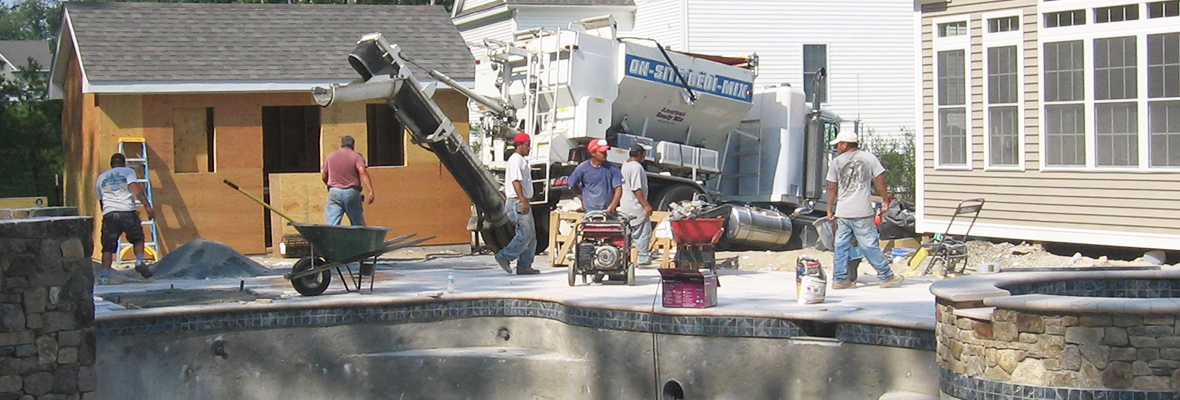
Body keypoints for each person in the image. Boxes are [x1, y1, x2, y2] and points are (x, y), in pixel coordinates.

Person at [826, 131, 903, 289]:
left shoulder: (836, 162)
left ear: (845, 144)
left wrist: (829, 209)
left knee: (841, 246)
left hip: (843, 212)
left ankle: (840, 279)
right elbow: (881, 180)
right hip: (862, 211)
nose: (837, 147)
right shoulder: (869, 158)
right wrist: (885, 200)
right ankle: (885, 276)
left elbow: (832, 188)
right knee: (869, 245)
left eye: (839, 144)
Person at [96, 153, 155, 284]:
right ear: (124, 163)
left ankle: (105, 276)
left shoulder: (101, 178)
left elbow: (102, 202)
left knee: (107, 247)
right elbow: (136, 190)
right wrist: (148, 207)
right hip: (127, 212)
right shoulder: (128, 172)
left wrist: (107, 214)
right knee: (138, 239)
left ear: (111, 164)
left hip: (110, 214)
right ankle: (139, 261)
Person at [495, 132, 541, 275]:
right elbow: (516, 181)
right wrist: (523, 200)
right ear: (519, 145)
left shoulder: (521, 160)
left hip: (520, 201)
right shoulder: (515, 160)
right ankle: (504, 256)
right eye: (527, 145)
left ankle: (525, 266)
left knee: (531, 236)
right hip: (517, 202)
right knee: (525, 234)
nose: (529, 148)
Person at [321, 136, 374, 226]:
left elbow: (323, 175)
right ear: (353, 145)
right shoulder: (356, 156)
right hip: (351, 192)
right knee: (357, 224)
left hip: (334, 192)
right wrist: (371, 190)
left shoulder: (330, 157)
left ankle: (330, 239)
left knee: (332, 225)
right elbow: (362, 171)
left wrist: (330, 185)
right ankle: (358, 239)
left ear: (341, 144)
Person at [619, 143, 654, 266]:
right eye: (644, 154)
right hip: (636, 206)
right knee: (643, 233)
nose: (644, 156)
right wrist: (646, 205)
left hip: (626, 205)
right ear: (639, 154)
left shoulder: (626, 164)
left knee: (629, 233)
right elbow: (636, 188)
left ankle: (625, 257)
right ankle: (643, 258)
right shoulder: (636, 168)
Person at [568, 138, 623, 213]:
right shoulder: (583, 168)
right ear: (593, 153)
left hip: (607, 211)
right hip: (590, 212)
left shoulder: (612, 168)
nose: (605, 154)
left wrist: (613, 205)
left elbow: (618, 188)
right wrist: (582, 199)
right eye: (602, 152)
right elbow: (572, 184)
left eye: (605, 151)